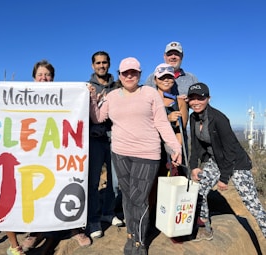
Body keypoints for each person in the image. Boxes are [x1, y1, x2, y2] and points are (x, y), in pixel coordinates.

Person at [88, 57, 182, 255]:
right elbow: (98, 117)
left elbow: (162, 123)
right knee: (128, 198)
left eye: (133, 72)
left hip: (147, 154)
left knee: (139, 199)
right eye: (125, 73)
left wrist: (174, 147)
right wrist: (92, 100)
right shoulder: (112, 96)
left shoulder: (149, 93)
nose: (129, 76)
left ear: (139, 74)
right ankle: (131, 235)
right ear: (120, 75)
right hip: (120, 153)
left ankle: (139, 241)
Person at [20, 60, 91, 253]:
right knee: (36, 190)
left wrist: (87, 92)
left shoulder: (64, 95)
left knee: (65, 184)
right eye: (40, 75)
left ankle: (74, 227)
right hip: (34, 153)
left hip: (61, 150)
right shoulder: (24, 96)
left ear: (53, 78)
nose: (44, 78)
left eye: (47, 75)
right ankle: (36, 232)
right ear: (34, 78)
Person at [188, 82, 266, 240]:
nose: (196, 102)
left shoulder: (219, 118)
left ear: (208, 99)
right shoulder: (193, 118)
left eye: (200, 98)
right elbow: (195, 146)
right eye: (192, 98)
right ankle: (204, 227)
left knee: (252, 204)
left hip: (236, 164)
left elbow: (230, 150)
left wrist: (224, 178)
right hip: (216, 160)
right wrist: (193, 167)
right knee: (199, 190)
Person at [86, 51, 124, 239]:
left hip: (115, 138)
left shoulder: (118, 86)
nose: (101, 65)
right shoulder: (86, 87)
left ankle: (108, 212)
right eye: (98, 63)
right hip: (94, 140)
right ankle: (93, 219)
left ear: (109, 64)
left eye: (104, 62)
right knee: (93, 181)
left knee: (115, 182)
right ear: (93, 66)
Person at [153, 63, 188, 176]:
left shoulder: (180, 102)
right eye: (162, 77)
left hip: (171, 151)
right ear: (155, 80)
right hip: (152, 149)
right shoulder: (148, 101)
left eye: (169, 77)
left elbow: (180, 131)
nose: (166, 80)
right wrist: (166, 119)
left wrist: (176, 152)